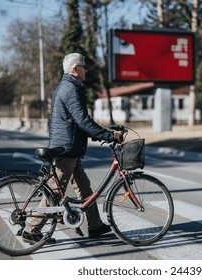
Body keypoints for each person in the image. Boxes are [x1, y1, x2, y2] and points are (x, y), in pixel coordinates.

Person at [22, 53, 121, 244]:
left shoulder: (67, 87)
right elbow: (82, 120)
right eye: (84, 67)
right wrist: (108, 135)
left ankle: (95, 225)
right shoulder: (70, 89)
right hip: (66, 150)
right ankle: (31, 229)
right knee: (53, 192)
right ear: (75, 70)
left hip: (70, 148)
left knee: (84, 187)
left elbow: (76, 122)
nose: (86, 70)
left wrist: (98, 134)